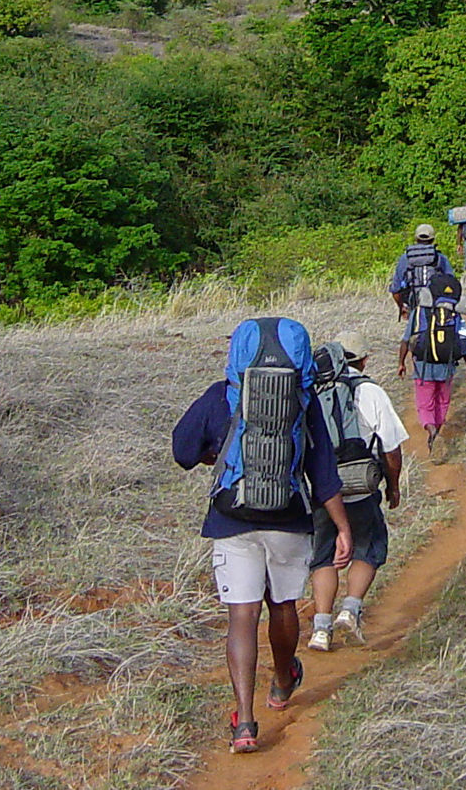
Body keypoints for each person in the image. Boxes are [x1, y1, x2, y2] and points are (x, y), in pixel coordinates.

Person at [172, 318, 353, 756]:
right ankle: (283, 679)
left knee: (242, 616)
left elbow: (182, 451)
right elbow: (323, 472)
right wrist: (343, 527)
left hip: (232, 517)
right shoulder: (303, 400)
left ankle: (245, 723)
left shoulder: (222, 396)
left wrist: (219, 458)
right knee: (283, 605)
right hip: (288, 516)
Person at [308, 332, 409, 653]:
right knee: (370, 546)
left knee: (323, 556)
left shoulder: (311, 390)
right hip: (361, 486)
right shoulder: (370, 391)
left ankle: (320, 630)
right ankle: (350, 610)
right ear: (362, 359)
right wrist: (392, 486)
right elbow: (391, 449)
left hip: (322, 489)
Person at [397, 289, 466, 454]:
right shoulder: (454, 315)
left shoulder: (418, 313)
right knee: (442, 401)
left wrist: (401, 363)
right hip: (447, 367)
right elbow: (464, 341)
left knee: (425, 404)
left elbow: (405, 340)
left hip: (423, 368)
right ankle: (437, 431)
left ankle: (431, 430)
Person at [388, 223, 454, 321]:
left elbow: (395, 289)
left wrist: (401, 307)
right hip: (436, 302)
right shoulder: (440, 257)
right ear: (432, 239)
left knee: (414, 331)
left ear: (416, 239)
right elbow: (451, 282)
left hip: (413, 302)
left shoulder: (405, 257)